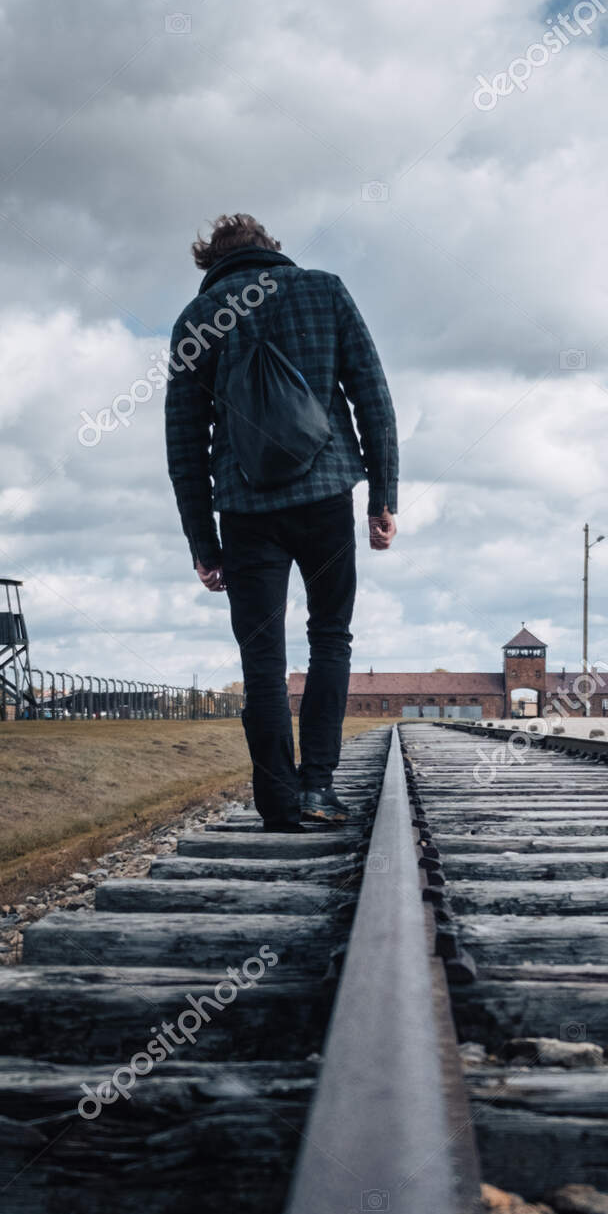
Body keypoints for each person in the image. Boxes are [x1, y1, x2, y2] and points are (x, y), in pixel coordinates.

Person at [165, 213, 398, 831]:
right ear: (272, 250)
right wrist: (383, 498)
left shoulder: (195, 322)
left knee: (261, 663)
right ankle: (318, 788)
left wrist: (202, 542)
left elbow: (184, 444)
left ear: (209, 263)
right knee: (330, 638)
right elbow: (372, 397)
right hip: (325, 499)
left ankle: (277, 800)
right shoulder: (324, 289)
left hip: (245, 513)